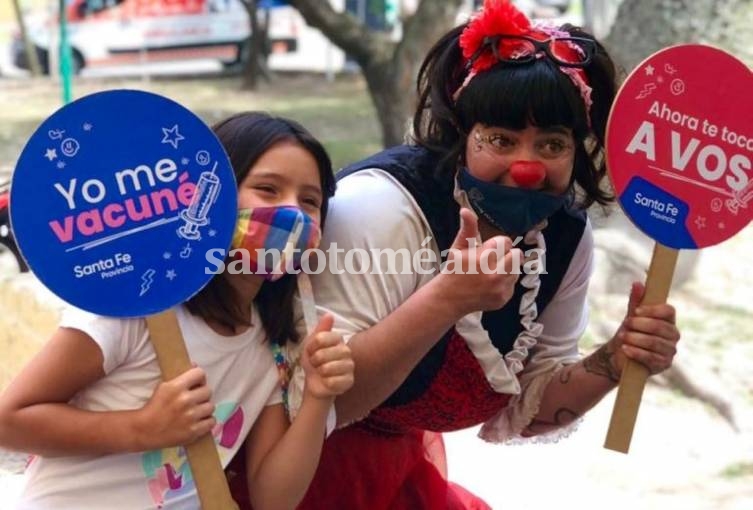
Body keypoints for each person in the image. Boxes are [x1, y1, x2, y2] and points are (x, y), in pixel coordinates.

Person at [267, 1, 679, 508]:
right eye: (501, 140)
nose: (527, 167)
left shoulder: (565, 238)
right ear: (463, 136)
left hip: (397, 470)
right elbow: (322, 399)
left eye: (552, 145)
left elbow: (533, 401)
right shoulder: (380, 207)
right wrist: (448, 299)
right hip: (289, 464)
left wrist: (615, 360)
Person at [0, 112, 354, 509]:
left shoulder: (271, 347)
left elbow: (274, 499)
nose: (293, 213)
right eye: (267, 189)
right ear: (211, 194)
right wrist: (141, 428)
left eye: (310, 201)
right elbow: (9, 420)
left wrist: (318, 397)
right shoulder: (134, 312)